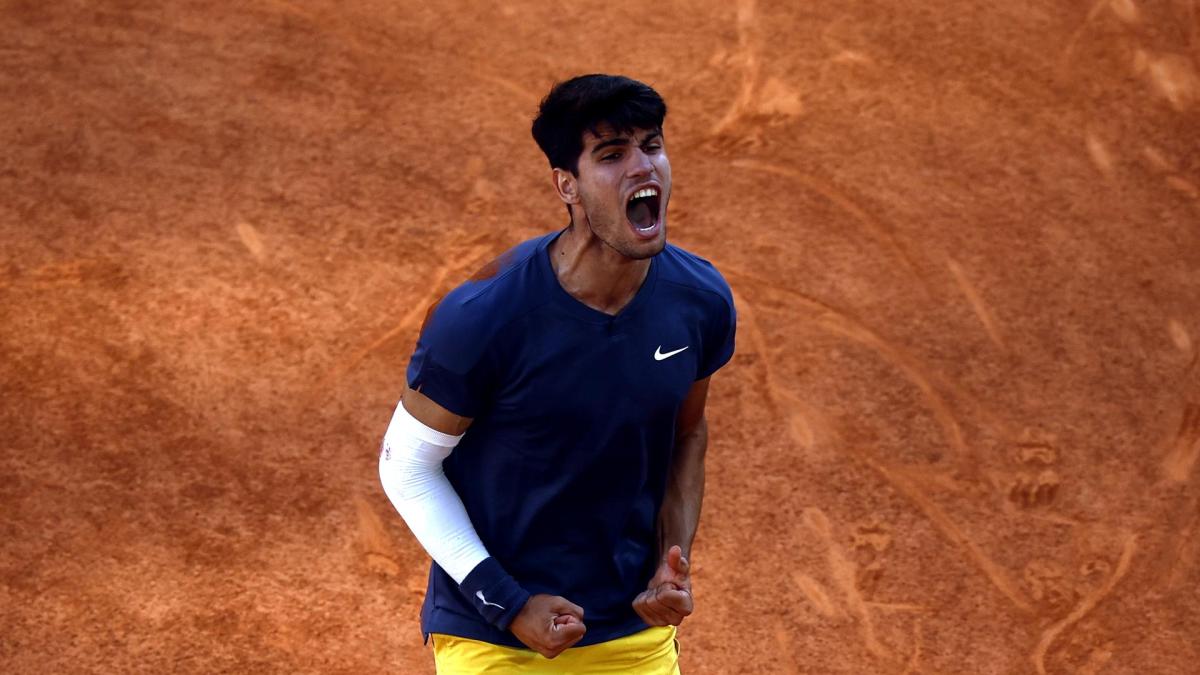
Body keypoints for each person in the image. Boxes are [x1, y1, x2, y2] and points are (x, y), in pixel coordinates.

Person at [378, 73, 736, 674]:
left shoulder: (699, 300)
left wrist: (671, 561)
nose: (642, 167)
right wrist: (508, 603)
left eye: (651, 145)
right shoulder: (485, 316)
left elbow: (686, 433)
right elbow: (406, 466)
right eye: (611, 155)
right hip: (494, 636)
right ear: (566, 185)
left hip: (630, 628)